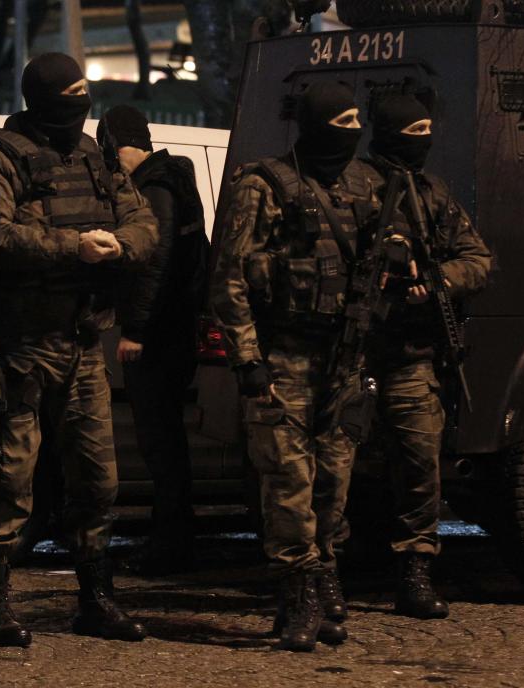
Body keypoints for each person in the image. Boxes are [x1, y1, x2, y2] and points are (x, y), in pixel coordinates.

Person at [0, 52, 158, 646]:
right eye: (69, 90)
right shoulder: (0, 151)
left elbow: (145, 222)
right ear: (41, 96)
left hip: (82, 343)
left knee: (98, 481)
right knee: (11, 479)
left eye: (84, 89)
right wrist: (74, 246)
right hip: (24, 344)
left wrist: (119, 245)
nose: (80, 100)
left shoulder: (96, 157)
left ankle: (96, 600)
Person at [210, 81, 376, 651]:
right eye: (341, 122)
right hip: (282, 358)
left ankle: (326, 579)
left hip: (342, 363)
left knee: (334, 484)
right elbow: (228, 279)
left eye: (358, 123)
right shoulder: (263, 187)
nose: (351, 134)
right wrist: (248, 361)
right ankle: (295, 599)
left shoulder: (368, 187)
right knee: (288, 486)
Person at [361, 92, 492, 619]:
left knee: (419, 465)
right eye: (413, 130)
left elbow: (478, 259)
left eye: (426, 129)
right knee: (335, 467)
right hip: (354, 351)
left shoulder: (431, 193)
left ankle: (414, 570)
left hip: (412, 352)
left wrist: (437, 278)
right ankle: (322, 573)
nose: (424, 139)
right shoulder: (356, 188)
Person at [96, 105, 209, 574]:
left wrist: (136, 331)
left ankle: (171, 543)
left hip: (160, 336)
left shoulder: (155, 188)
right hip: (172, 330)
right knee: (163, 442)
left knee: (160, 442)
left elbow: (154, 263)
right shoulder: (171, 180)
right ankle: (172, 538)